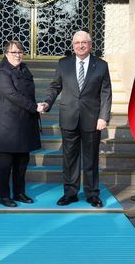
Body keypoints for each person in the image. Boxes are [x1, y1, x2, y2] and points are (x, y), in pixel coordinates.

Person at [39, 30, 112, 208]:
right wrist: (47, 103)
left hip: (92, 119)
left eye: (84, 42)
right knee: (69, 158)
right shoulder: (63, 64)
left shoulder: (101, 65)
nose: (80, 45)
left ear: (90, 45)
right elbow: (55, 87)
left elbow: (106, 93)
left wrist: (104, 117)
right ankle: (70, 193)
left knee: (91, 159)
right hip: (69, 118)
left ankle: (92, 194)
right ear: (72, 45)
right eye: (77, 43)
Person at [0, 40, 41, 208]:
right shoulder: (1, 72)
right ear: (6, 54)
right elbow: (12, 95)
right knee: (5, 165)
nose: (18, 55)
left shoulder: (25, 69)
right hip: (6, 126)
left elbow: (29, 94)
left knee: (22, 163)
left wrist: (39, 105)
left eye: (20, 52)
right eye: (14, 52)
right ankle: (4, 196)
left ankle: (19, 193)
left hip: (24, 124)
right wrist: (34, 107)